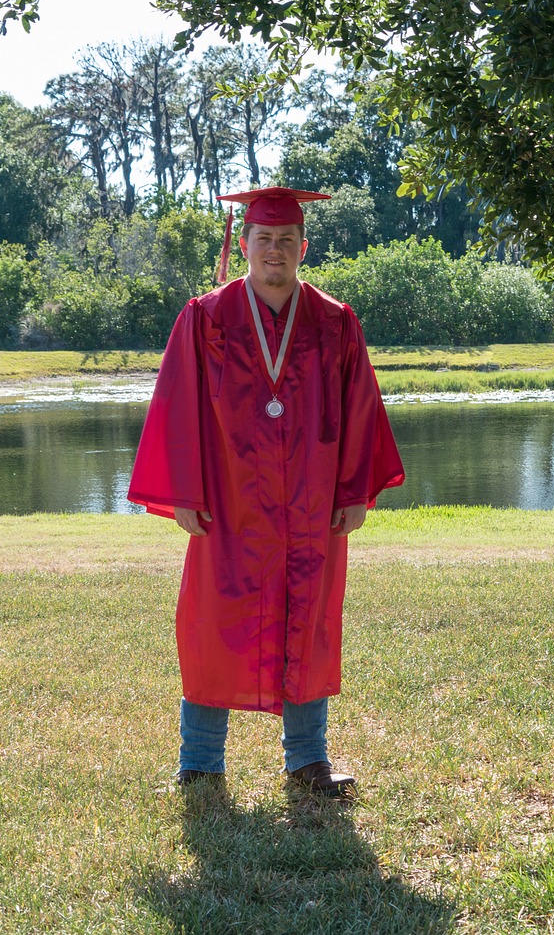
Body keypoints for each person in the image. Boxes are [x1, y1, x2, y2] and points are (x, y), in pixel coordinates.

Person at [127, 186, 404, 796]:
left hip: (311, 502)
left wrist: (355, 490)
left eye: (285, 240)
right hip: (231, 499)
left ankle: (308, 762)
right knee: (214, 623)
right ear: (245, 245)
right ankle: (199, 765)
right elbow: (179, 406)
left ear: (302, 248)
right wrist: (186, 494)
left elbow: (360, 410)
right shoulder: (207, 317)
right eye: (263, 239)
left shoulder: (335, 322)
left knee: (309, 618)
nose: (274, 250)